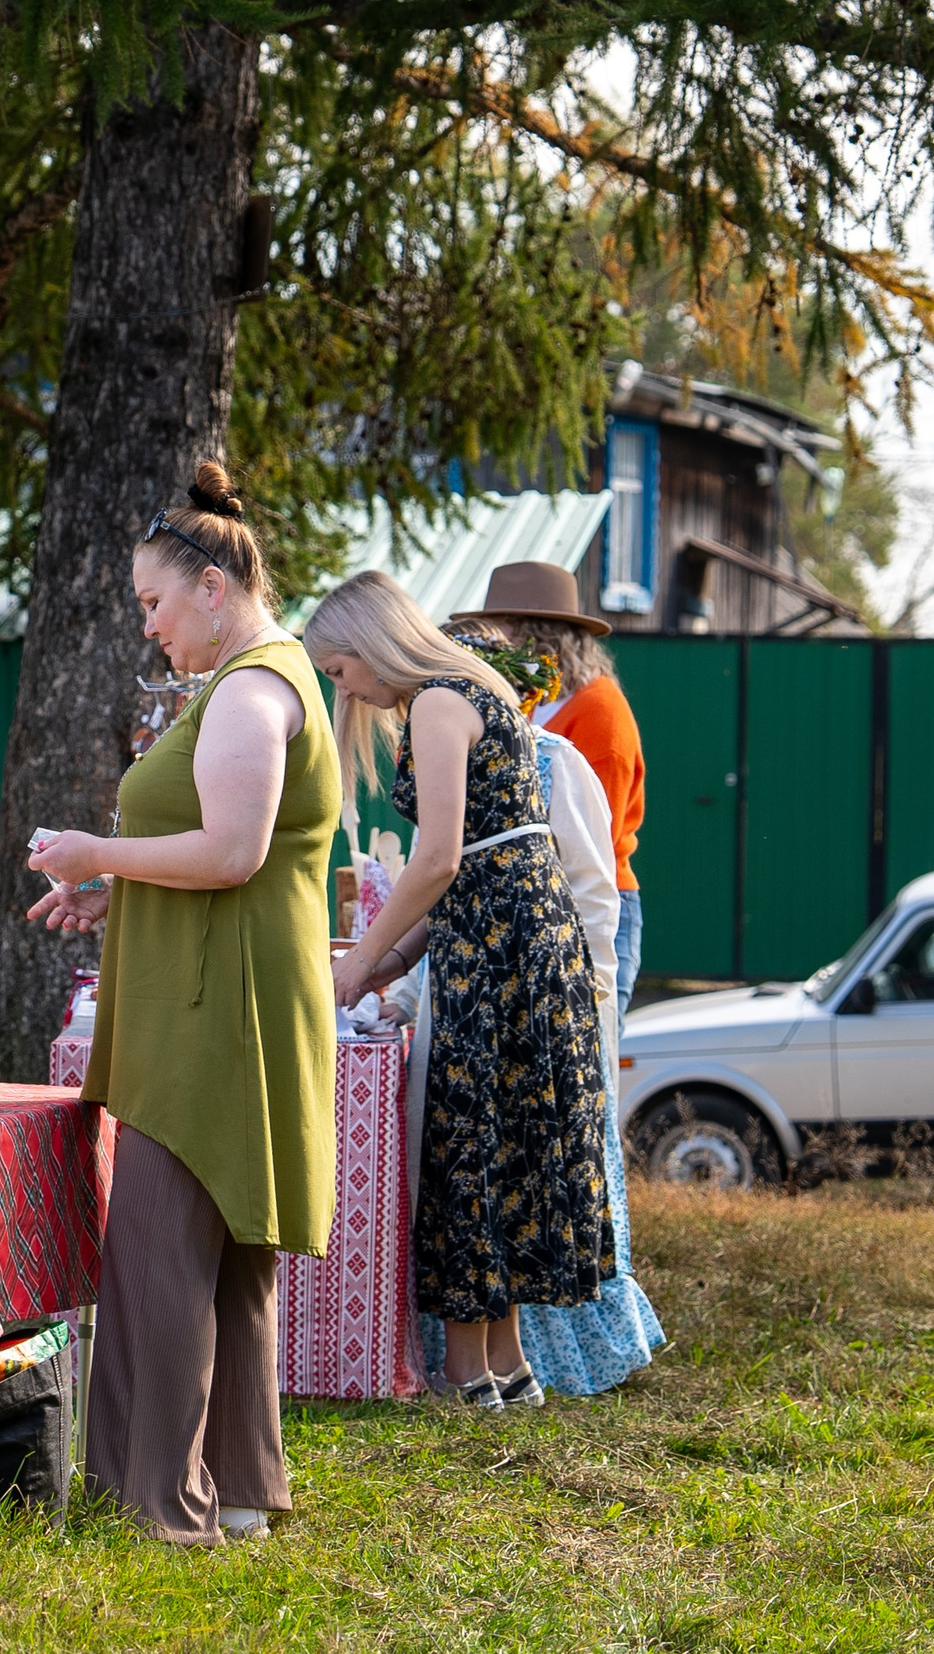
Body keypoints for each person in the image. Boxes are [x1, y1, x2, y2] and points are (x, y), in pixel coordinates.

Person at [25, 462, 339, 1548]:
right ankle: (240, 1490)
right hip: (224, 997)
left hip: (213, 1014)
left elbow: (232, 850)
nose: (148, 628)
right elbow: (216, 855)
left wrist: (91, 848)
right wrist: (114, 889)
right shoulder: (258, 680)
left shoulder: (252, 689)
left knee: (160, 1259)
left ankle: (153, 1503)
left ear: (212, 585)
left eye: (154, 604)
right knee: (221, 1262)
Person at [310, 570, 611, 1412]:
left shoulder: (438, 703)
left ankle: (469, 1371)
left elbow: (438, 858)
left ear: (371, 646)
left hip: (499, 948)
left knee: (470, 1145)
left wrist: (359, 956)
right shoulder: (476, 686)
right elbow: (467, 865)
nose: (349, 689)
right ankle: (505, 1365)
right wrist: (385, 964)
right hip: (519, 935)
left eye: (341, 670)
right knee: (508, 1142)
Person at [384, 624, 666, 1397]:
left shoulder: (573, 738)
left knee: (482, 1158)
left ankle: (486, 1367)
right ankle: (501, 1365)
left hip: (520, 964)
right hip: (496, 954)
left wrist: (596, 1007)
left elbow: (589, 882)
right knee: (496, 1160)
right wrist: (397, 970)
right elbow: (451, 876)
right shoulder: (495, 725)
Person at [454, 562, 648, 1008]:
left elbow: (596, 839)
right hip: (531, 904)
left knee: (589, 1066)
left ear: (533, 632)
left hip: (590, 905)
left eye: (497, 628)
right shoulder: (523, 702)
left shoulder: (599, 709)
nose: (486, 641)